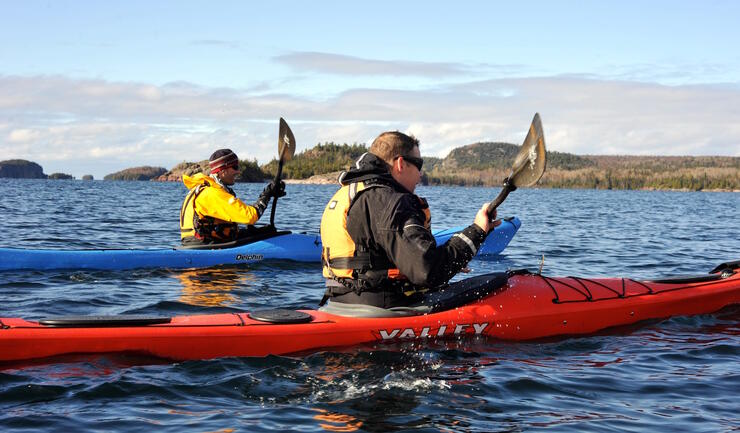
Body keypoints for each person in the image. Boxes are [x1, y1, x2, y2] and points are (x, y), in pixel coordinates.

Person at [320, 131, 499, 308]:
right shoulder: (392, 203)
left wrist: (449, 263)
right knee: (504, 282)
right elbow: (427, 271)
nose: (420, 175)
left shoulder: (353, 194)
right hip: (386, 308)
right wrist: (478, 231)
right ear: (400, 164)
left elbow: (379, 259)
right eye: (418, 164)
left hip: (340, 303)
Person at [180, 148, 285, 246]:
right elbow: (250, 216)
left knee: (265, 232)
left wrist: (253, 232)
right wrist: (266, 195)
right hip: (203, 246)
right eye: (235, 167)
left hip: (208, 242)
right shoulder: (211, 193)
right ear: (222, 170)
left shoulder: (209, 189)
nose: (238, 171)